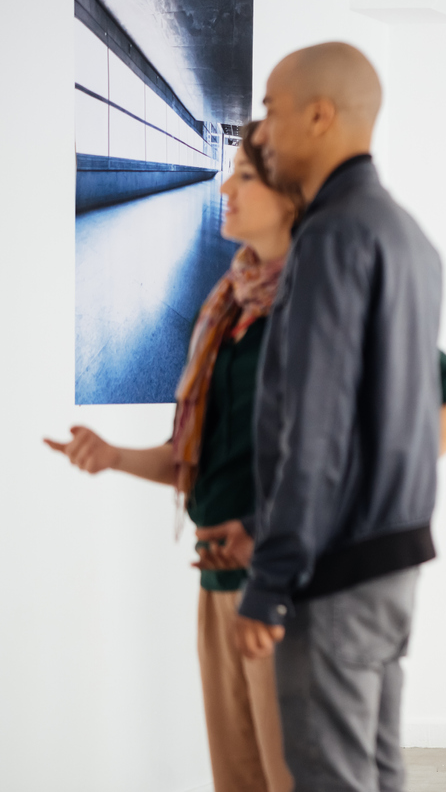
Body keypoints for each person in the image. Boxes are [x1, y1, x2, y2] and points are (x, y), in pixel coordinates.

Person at [44, 122, 300, 792]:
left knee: (293, 776)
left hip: (284, 586)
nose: (225, 186)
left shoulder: (314, 313)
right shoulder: (226, 313)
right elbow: (196, 455)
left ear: (291, 196)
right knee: (237, 778)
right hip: (217, 579)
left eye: (244, 176)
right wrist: (113, 456)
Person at [237, 42, 442, 792]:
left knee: (332, 778)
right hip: (392, 561)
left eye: (270, 109)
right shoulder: (408, 235)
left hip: (337, 568)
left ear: (320, 115)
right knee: (376, 775)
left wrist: (272, 574)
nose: (262, 132)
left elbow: (315, 429)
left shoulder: (331, 236)